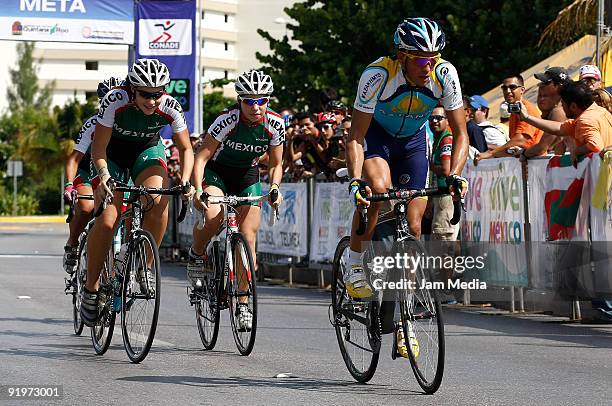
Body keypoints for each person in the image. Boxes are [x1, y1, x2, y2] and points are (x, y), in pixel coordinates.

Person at [346, 17, 469, 301]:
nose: (428, 67)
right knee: (377, 190)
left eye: (433, 58)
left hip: (413, 142)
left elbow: (461, 133)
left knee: (414, 226)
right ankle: (354, 263)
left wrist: (455, 175)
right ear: (402, 56)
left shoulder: (445, 73)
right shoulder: (377, 75)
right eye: (420, 60)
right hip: (378, 139)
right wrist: (355, 181)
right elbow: (355, 137)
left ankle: (406, 305)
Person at [81, 58, 194, 327]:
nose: (153, 101)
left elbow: (187, 149)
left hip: (146, 151)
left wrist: (187, 181)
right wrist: (105, 175)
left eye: (158, 94)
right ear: (132, 89)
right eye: (145, 94)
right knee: (108, 221)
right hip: (112, 155)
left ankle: (144, 266)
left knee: (157, 197)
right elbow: (99, 148)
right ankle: (91, 287)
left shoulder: (170, 107)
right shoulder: (115, 100)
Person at [189, 70, 284, 331]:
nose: (256, 107)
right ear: (239, 101)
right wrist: (198, 189)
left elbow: (277, 162)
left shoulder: (275, 123)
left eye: (262, 100)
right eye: (249, 101)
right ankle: (197, 254)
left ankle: (242, 301)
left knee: (248, 238)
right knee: (213, 215)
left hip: (246, 175)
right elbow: (200, 158)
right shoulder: (227, 120)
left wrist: (275, 187)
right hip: (217, 172)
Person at [62, 77, 123, 275]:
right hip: (87, 172)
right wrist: (69, 185)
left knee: (131, 208)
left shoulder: (130, 121)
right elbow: (73, 159)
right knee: (87, 206)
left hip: (115, 171)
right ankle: (72, 245)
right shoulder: (93, 124)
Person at [518, 80, 612, 165]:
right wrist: (526, 118)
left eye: (563, 105)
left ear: (573, 106)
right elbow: (560, 128)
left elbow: (596, 146)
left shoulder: (585, 120)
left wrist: (576, 151)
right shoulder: (599, 110)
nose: (562, 108)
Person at [474, 74, 543, 164]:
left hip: (536, 164)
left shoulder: (527, 109)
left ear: (522, 90)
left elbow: (520, 140)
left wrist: (491, 153)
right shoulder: (514, 111)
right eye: (504, 88)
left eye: (512, 87)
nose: (508, 91)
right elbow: (515, 147)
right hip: (525, 163)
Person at [521, 68, 570, 158]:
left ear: (558, 87)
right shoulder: (558, 109)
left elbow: (542, 148)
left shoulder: (559, 112)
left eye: (546, 82)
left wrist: (523, 153)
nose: (541, 85)